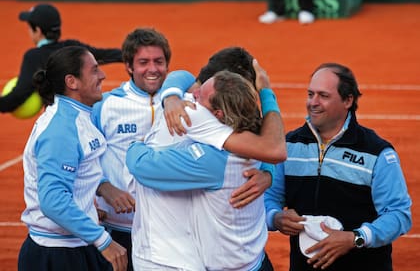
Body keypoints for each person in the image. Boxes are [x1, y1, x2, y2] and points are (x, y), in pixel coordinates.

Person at [126, 68, 281, 270]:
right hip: (257, 260)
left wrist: (136, 144)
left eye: (200, 98)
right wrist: (171, 96)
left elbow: (142, 166)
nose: (192, 96)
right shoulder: (255, 134)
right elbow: (185, 77)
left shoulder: (212, 161)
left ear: (217, 114)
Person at [264, 62, 412, 270]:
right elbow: (269, 197)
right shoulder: (288, 146)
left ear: (348, 100)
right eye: (310, 94)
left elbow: (399, 215)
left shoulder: (377, 153)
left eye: (323, 96)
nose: (313, 102)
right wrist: (275, 217)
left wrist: (355, 238)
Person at [17, 46, 127, 271]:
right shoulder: (62, 130)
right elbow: (53, 200)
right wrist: (103, 240)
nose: (103, 76)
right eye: (94, 71)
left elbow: (75, 176)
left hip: (75, 244)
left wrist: (87, 203)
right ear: (72, 82)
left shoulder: (78, 117)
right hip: (57, 255)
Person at [91, 27, 171, 271]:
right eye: (143, 62)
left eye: (159, 61)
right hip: (118, 227)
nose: (152, 69)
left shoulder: (181, 101)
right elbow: (82, 156)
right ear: (128, 66)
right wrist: (99, 189)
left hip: (169, 228)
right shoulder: (105, 105)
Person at [0, 3, 122, 114]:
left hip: (60, 118)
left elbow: (18, 97)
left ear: (37, 30)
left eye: (30, 28)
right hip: (87, 113)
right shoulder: (73, 46)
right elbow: (105, 55)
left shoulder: (34, 56)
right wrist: (132, 55)